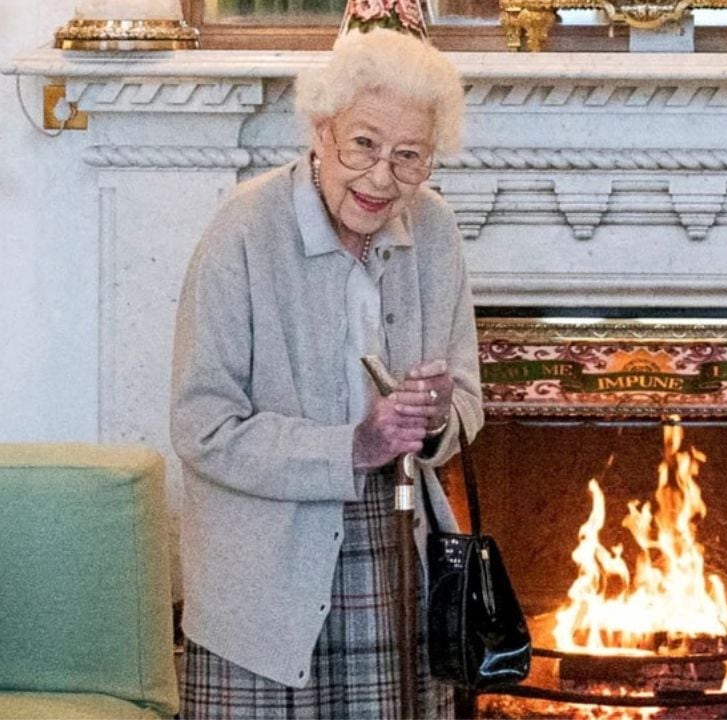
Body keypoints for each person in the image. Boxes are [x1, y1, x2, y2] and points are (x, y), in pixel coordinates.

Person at [170, 27, 481, 719]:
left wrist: (433, 419)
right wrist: (355, 445)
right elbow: (203, 427)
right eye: (363, 144)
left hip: (394, 550)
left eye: (409, 158)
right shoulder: (244, 229)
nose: (380, 178)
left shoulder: (435, 232)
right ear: (320, 127)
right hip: (260, 577)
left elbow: (465, 402)